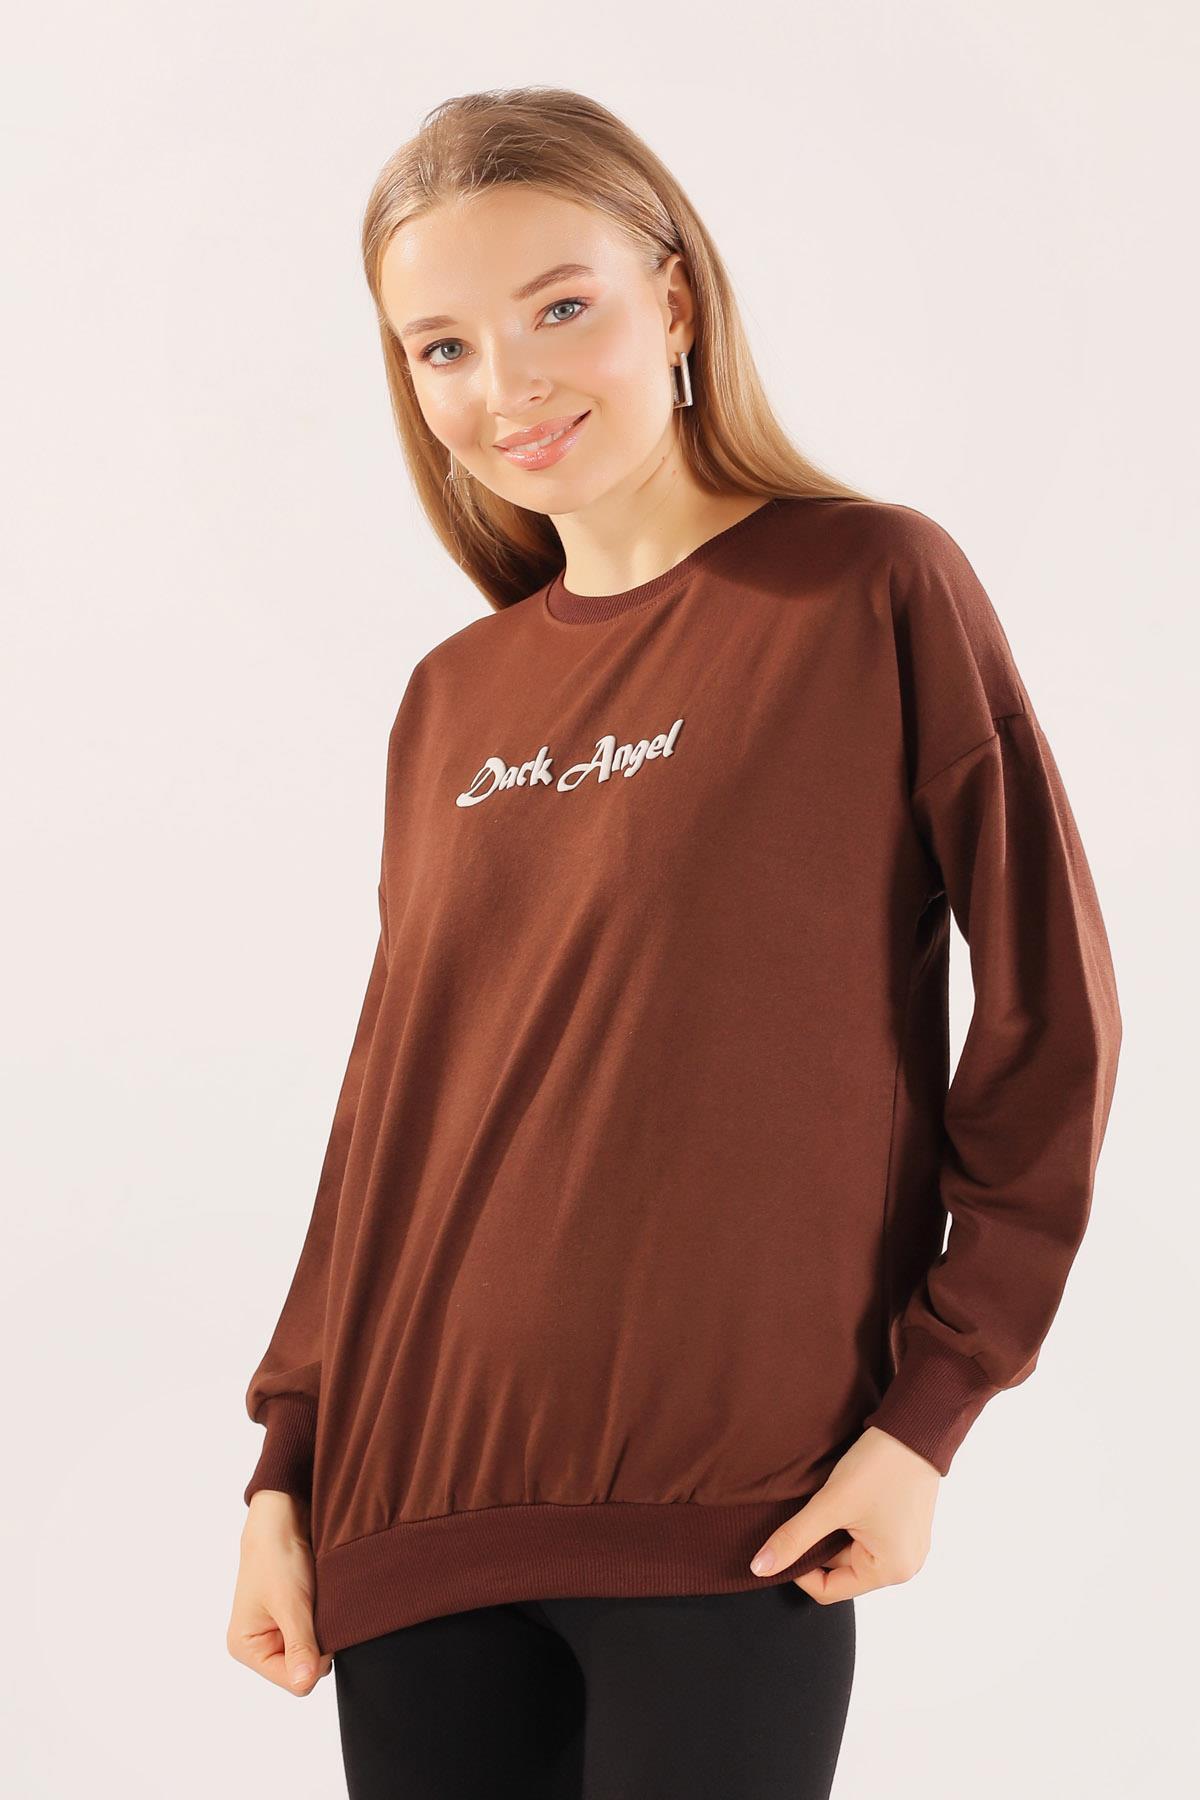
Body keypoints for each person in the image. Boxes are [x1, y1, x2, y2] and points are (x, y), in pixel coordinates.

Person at [226, 87, 1123, 1800]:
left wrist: (933, 1409)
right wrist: (289, 1467)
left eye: (560, 307)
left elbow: (1052, 1016)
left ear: (678, 301)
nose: (508, 385)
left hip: (736, 1501)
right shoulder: (451, 699)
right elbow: (391, 1108)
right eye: (442, 348)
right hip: (410, 1505)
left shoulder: (869, 588)